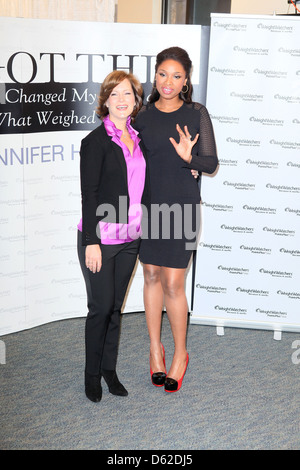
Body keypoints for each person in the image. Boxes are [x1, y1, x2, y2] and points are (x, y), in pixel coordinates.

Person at [134, 47, 218, 393]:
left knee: (173, 284)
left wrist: (191, 159)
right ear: (155, 75)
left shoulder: (196, 113)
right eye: (163, 74)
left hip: (181, 208)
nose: (168, 82)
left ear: (186, 81)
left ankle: (180, 354)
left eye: (177, 76)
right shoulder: (140, 115)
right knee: (151, 275)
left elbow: (211, 164)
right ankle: (156, 349)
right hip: (148, 207)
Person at [77, 70, 150, 403]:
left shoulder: (138, 138)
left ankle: (109, 370)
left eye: (128, 94)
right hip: (101, 239)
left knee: (116, 309)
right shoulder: (95, 142)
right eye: (115, 95)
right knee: (100, 307)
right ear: (105, 101)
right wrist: (91, 241)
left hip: (131, 236)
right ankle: (92, 375)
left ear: (136, 101)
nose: (122, 101)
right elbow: (89, 195)